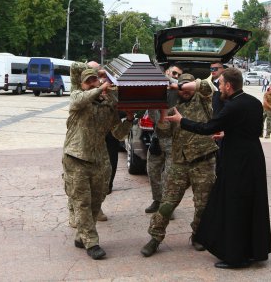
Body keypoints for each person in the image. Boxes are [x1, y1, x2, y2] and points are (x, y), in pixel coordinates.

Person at [164, 68, 271, 269]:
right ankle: (254, 251)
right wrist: (228, 134)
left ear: (229, 86)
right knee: (252, 204)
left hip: (237, 162)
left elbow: (206, 128)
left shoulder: (232, 107)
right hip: (254, 158)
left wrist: (181, 121)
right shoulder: (253, 102)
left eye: (221, 83)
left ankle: (236, 257)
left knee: (234, 206)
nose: (219, 87)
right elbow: (252, 130)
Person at [140, 73, 218, 258]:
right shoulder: (173, 107)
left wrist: (178, 85)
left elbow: (207, 85)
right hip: (180, 163)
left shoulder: (203, 99)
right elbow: (165, 133)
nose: (184, 91)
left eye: (186, 87)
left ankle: (198, 235)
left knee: (203, 205)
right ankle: (155, 237)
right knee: (167, 204)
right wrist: (163, 112)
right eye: (181, 88)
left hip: (203, 160)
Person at [63, 68, 133, 260]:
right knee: (82, 202)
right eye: (90, 80)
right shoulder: (77, 96)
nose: (94, 83)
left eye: (97, 79)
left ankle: (81, 236)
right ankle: (91, 241)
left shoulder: (109, 103)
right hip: (76, 158)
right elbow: (80, 99)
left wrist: (128, 118)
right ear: (82, 84)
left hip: (99, 159)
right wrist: (101, 80)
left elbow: (118, 133)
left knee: (96, 200)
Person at [145, 64, 183, 214]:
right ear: (167, 72)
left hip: (173, 139)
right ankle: (157, 200)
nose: (176, 76)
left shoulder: (179, 89)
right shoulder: (155, 86)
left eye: (179, 75)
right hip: (157, 137)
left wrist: (173, 83)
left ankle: (167, 206)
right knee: (152, 171)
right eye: (174, 73)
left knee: (169, 175)